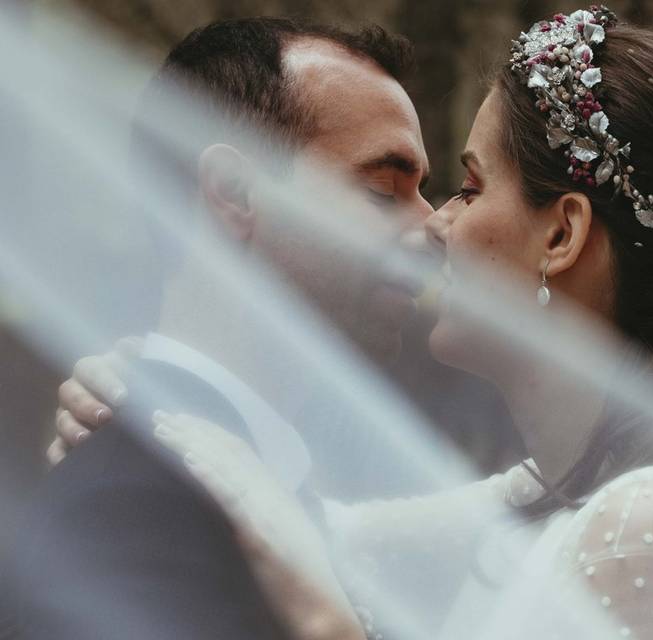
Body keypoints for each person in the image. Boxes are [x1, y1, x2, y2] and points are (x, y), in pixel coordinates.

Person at [42, 7, 653, 640]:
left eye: (466, 187)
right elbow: (329, 529)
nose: (434, 223)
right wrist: (147, 395)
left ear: (562, 234)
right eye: (385, 187)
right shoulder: (537, 496)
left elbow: (312, 556)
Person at [6, 16, 432, 640]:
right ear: (233, 192)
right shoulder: (133, 514)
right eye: (381, 191)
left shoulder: (264, 476)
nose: (432, 231)